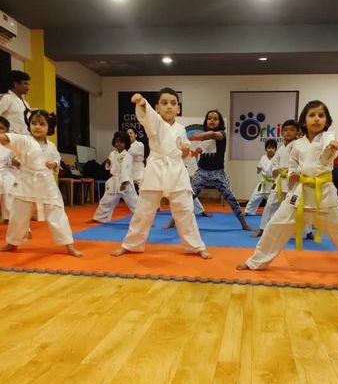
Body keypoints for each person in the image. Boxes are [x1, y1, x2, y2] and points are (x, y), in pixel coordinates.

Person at [237, 100, 338, 279]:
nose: (316, 119)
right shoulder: (298, 144)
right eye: (312, 115)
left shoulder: (328, 138)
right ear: (303, 121)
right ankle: (255, 262)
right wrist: (293, 174)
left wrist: (331, 148)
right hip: (300, 194)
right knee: (275, 227)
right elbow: (292, 165)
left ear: (327, 120)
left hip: (325, 195)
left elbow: (326, 156)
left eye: (321, 115)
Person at [111, 88, 211, 259]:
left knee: (185, 210)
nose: (169, 106)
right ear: (157, 107)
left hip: (176, 169)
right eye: (164, 103)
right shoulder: (154, 122)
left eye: (173, 103)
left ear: (178, 108)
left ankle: (195, 246)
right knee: (144, 210)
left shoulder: (181, 128)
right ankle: (131, 244)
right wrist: (142, 103)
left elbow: (185, 147)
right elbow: (147, 116)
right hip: (156, 168)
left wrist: (185, 149)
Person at [0, 109, 82, 257]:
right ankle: (13, 242)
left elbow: (57, 159)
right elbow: (7, 138)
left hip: (46, 183)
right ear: (29, 125)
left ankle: (69, 245)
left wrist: (54, 164)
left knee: (58, 214)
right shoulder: (24, 140)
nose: (37, 127)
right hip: (26, 182)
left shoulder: (51, 146)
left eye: (42, 124)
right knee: (18, 215)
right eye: (33, 123)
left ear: (49, 128)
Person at [189, 110, 254, 230]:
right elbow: (199, 150)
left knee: (231, 198)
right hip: (202, 172)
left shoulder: (222, 134)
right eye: (209, 118)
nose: (212, 120)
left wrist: (201, 136)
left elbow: (214, 135)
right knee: (188, 197)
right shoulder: (204, 137)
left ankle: (244, 224)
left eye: (215, 119)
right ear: (206, 121)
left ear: (220, 122)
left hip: (218, 173)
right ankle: (173, 222)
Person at [253, 120, 300, 237]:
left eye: (292, 130)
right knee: (270, 204)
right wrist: (276, 170)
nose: (288, 132)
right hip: (280, 181)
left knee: (297, 206)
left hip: (294, 182)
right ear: (281, 133)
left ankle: (307, 231)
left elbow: (303, 162)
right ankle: (263, 228)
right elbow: (273, 164)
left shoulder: (299, 146)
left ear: (297, 133)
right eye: (286, 130)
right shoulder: (280, 149)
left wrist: (293, 171)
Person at [92, 131, 138, 223]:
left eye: (121, 142)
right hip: (114, 181)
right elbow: (109, 168)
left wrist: (124, 182)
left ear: (126, 143)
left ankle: (143, 220)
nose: (119, 144)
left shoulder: (127, 155)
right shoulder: (112, 154)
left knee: (134, 202)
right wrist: (108, 163)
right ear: (114, 142)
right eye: (117, 141)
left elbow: (126, 169)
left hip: (125, 181)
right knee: (106, 200)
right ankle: (100, 218)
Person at [244, 139, 277, 215]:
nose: (270, 150)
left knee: (273, 200)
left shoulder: (277, 158)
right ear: (266, 149)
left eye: (272, 148)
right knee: (255, 196)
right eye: (268, 148)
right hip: (263, 182)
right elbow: (259, 169)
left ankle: (274, 214)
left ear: (275, 149)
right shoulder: (263, 157)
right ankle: (249, 211)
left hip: (273, 183)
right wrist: (258, 169)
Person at [0, 70, 31, 135]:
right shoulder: (6, 98)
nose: (28, 87)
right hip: (10, 137)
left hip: (25, 137)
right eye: (25, 83)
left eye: (28, 84)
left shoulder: (26, 103)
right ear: (15, 84)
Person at [0, 117, 16, 221]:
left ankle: (11, 218)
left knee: (10, 186)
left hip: (6, 172)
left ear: (7, 131)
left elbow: (17, 162)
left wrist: (15, 162)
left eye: (1, 128)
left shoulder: (11, 146)